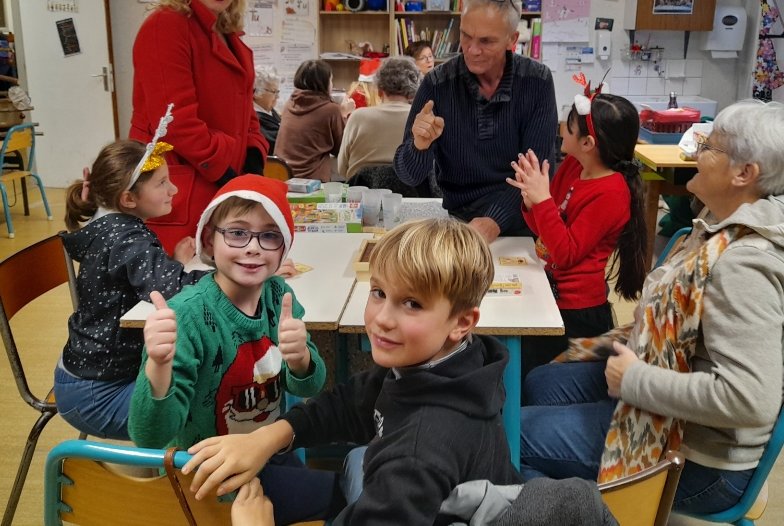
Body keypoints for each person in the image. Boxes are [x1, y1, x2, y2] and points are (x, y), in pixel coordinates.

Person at [520, 100, 784, 515]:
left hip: (699, 457)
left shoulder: (746, 265)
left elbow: (748, 399)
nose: (695, 151)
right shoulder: (729, 224)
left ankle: (592, 510)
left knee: (511, 437)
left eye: (709, 146)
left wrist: (635, 379)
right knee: (540, 382)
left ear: (744, 174)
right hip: (665, 400)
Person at [181, 218, 523, 525]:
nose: (382, 319)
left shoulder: (417, 454)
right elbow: (350, 404)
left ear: (461, 322)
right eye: (379, 292)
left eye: (412, 304)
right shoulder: (444, 364)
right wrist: (267, 438)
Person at [128, 175, 337, 524]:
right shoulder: (187, 317)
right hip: (209, 477)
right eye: (238, 233)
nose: (253, 247)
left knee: (349, 485)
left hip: (264, 450)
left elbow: (309, 386)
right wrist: (159, 367)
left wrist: (301, 359)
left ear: (283, 249)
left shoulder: (279, 297)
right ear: (209, 241)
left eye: (269, 235)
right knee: (348, 492)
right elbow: (149, 436)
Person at [53, 134, 203, 441]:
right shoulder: (126, 237)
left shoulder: (114, 226)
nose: (173, 189)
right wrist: (242, 273)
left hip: (90, 378)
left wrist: (173, 262)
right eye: (161, 183)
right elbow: (175, 289)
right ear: (128, 199)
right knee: (211, 405)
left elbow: (146, 283)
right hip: (97, 395)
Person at [130, 0, 268, 253]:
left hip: (221, 182)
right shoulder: (166, 26)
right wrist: (227, 173)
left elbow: (245, 107)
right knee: (183, 278)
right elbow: (175, 123)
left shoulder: (225, 33)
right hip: (180, 185)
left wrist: (253, 156)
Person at [393, 0, 558, 242]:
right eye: (466, 36)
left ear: (512, 40)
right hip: (462, 221)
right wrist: (419, 146)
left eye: (486, 41)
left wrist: (495, 220)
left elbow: (535, 173)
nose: (472, 50)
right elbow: (408, 175)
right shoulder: (438, 83)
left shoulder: (536, 81)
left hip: (522, 222)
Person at [507, 89, 648, 376]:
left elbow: (565, 253)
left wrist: (543, 201)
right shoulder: (574, 164)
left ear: (588, 143)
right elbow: (548, 233)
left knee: (537, 376)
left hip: (576, 311)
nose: (562, 128)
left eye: (569, 126)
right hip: (549, 290)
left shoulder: (611, 193)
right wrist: (532, 202)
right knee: (522, 363)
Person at [338, 58, 420, 180]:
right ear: (413, 94)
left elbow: (342, 169)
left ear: (379, 92)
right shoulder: (423, 120)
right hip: (411, 191)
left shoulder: (358, 117)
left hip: (362, 189)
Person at [274, 60, 347, 182]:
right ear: (324, 83)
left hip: (282, 176)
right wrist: (343, 114)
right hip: (313, 181)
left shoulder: (290, 103)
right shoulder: (331, 110)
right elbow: (342, 150)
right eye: (331, 80)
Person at [253, 66, 281, 153]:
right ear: (256, 93)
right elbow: (276, 143)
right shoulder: (256, 118)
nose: (277, 96)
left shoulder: (268, 109)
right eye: (273, 92)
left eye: (277, 91)